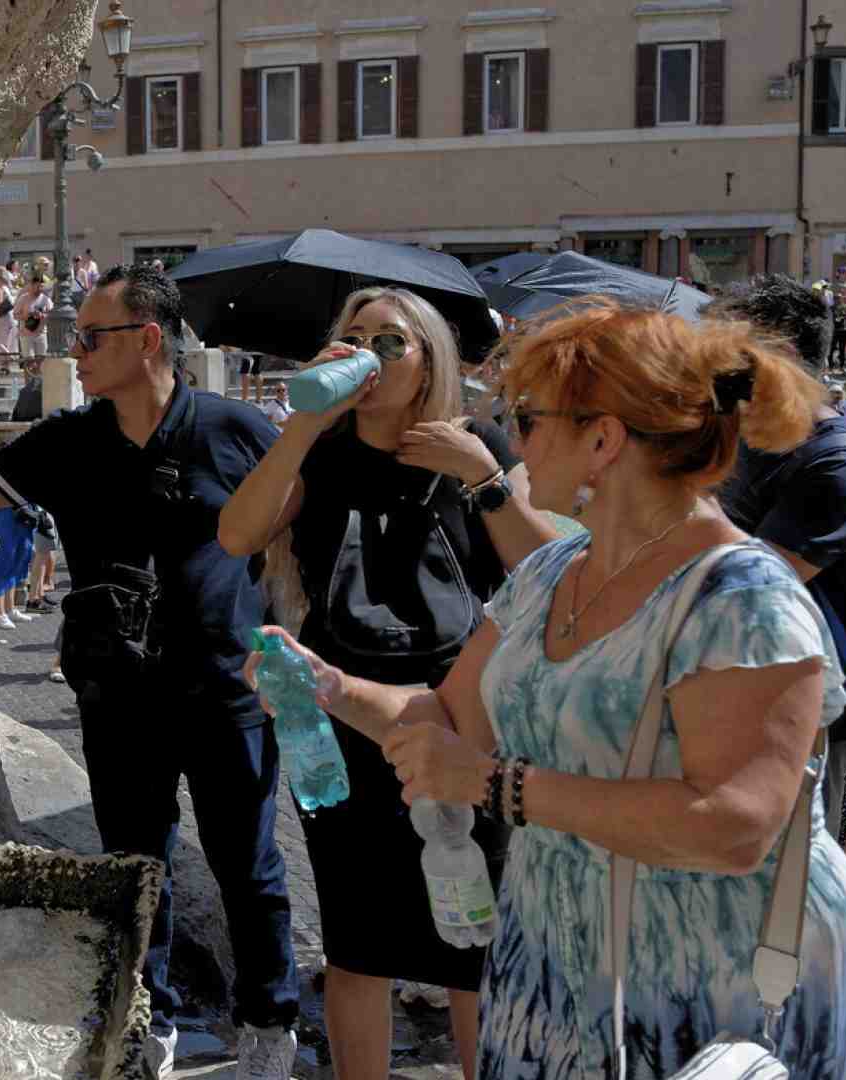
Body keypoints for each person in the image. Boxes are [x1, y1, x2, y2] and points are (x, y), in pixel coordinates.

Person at [249, 302, 846, 1078]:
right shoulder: (551, 572)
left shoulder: (741, 597)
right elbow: (451, 715)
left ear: (603, 439)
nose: (512, 434)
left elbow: (734, 826)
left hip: (708, 980)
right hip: (558, 958)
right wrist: (330, 685)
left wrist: (497, 786)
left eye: (530, 417)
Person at [0, 264, 302, 1079]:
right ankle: (150, 1021)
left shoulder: (233, 429)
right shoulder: (71, 439)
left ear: (147, 340)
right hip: (118, 694)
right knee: (137, 872)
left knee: (249, 866)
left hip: (225, 691)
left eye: (91, 337)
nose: (74, 351)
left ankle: (270, 1025)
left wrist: (285, 637)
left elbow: (298, 519)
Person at [219, 287, 557, 1080]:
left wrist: (482, 476)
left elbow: (548, 570)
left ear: (431, 356)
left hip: (467, 711)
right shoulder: (320, 454)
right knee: (357, 938)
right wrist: (302, 422)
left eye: (392, 342)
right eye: (355, 338)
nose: (371, 355)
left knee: (478, 936)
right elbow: (236, 533)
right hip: (336, 710)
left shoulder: (476, 445)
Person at [713, 275, 846, 831]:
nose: (712, 371)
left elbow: (743, 588)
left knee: (808, 889)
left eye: (728, 354)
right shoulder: (756, 447)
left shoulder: (840, 468)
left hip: (819, 724)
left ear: (783, 356)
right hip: (754, 701)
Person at [16, 276, 53, 360]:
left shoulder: (45, 299)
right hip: (26, 334)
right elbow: (15, 315)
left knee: (41, 361)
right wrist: (25, 316)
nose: (40, 289)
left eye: (41, 286)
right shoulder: (23, 298)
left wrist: (43, 315)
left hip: (41, 334)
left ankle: (38, 373)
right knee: (29, 362)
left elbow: (51, 314)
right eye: (38, 286)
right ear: (31, 285)